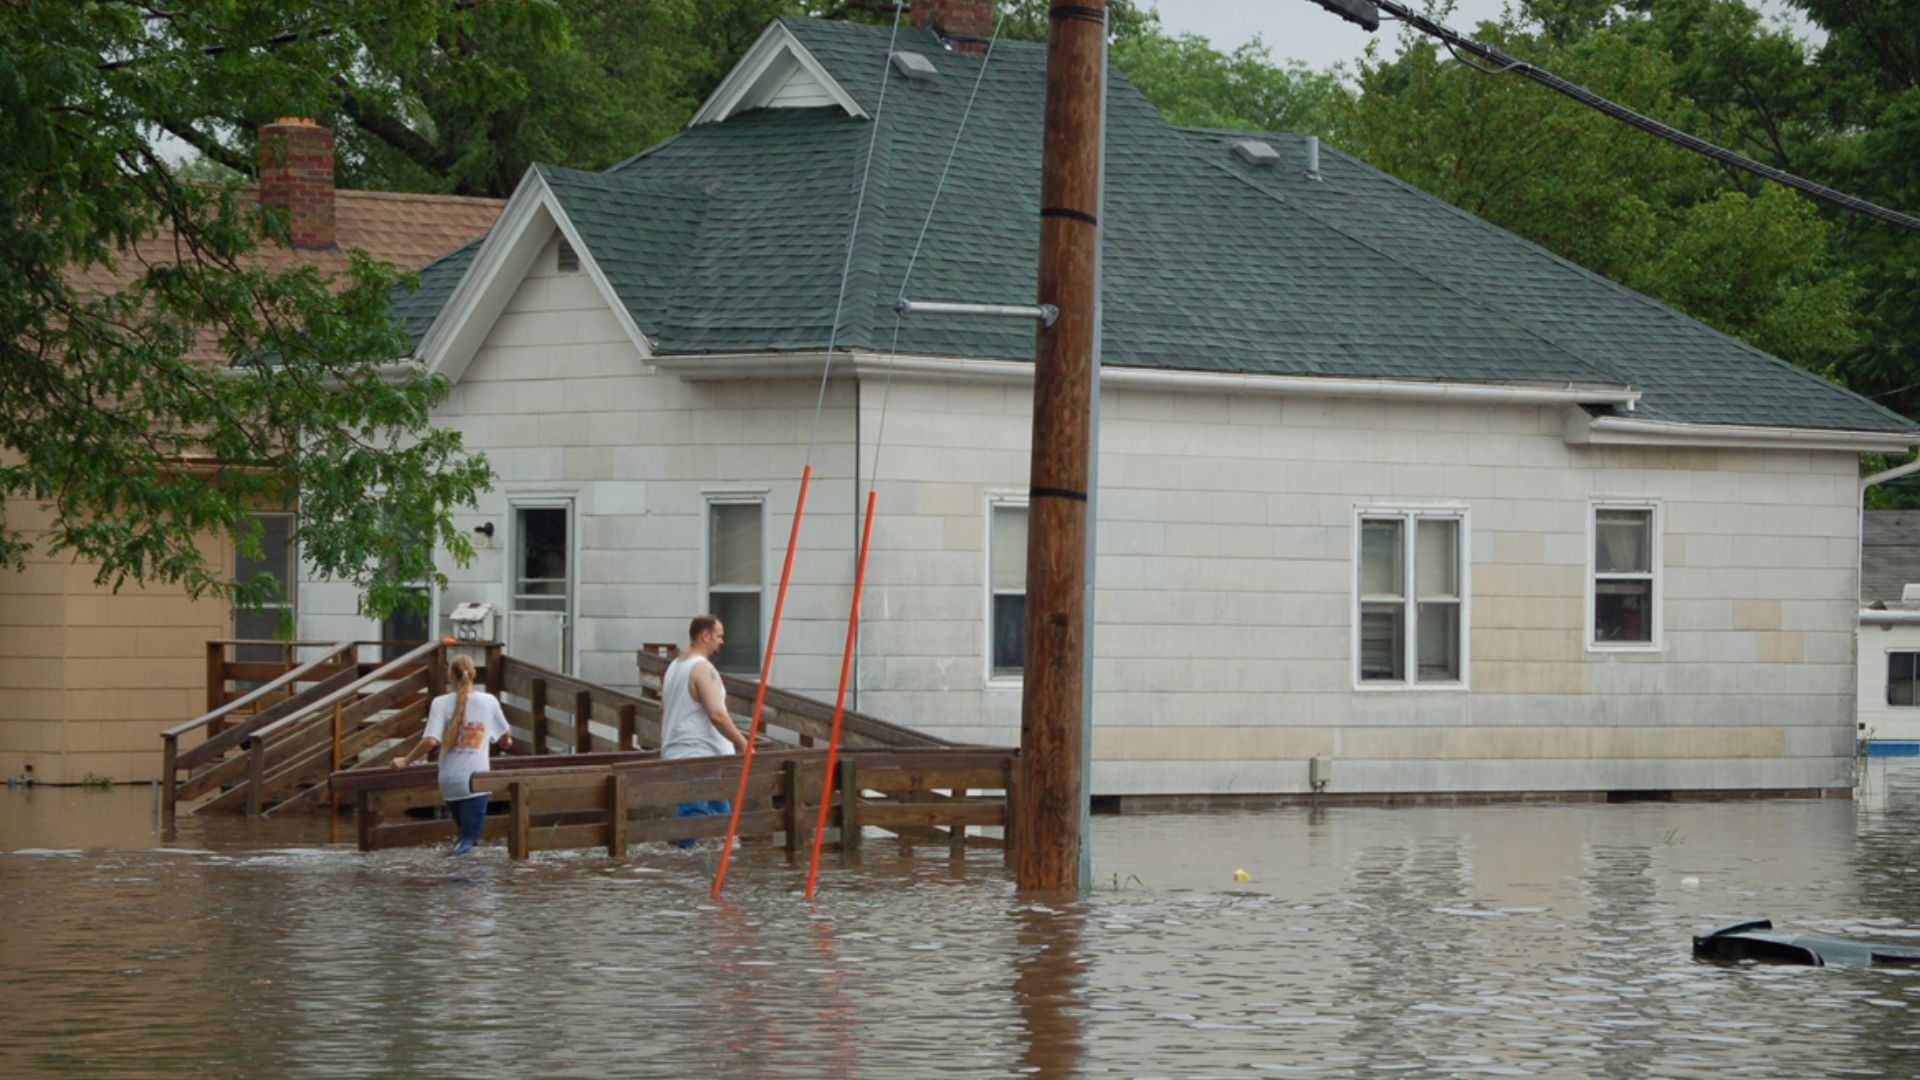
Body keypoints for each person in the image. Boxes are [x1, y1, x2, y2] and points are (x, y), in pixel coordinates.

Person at [392, 653, 512, 856]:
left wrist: (406, 760)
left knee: (464, 836)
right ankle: (455, 872)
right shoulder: (489, 701)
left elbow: (431, 740)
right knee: (469, 840)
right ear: (474, 674)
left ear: (450, 675)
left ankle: (459, 882)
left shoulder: (441, 703)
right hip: (476, 783)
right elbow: (505, 739)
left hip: (449, 782)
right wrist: (505, 740)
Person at [660, 614, 749, 848]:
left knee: (724, 825)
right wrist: (742, 742)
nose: (721, 642)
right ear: (705, 635)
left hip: (683, 753)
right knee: (693, 817)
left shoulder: (674, 667)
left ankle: (717, 873)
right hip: (698, 756)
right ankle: (680, 871)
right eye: (719, 636)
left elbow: (665, 708)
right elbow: (717, 714)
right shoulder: (702, 669)